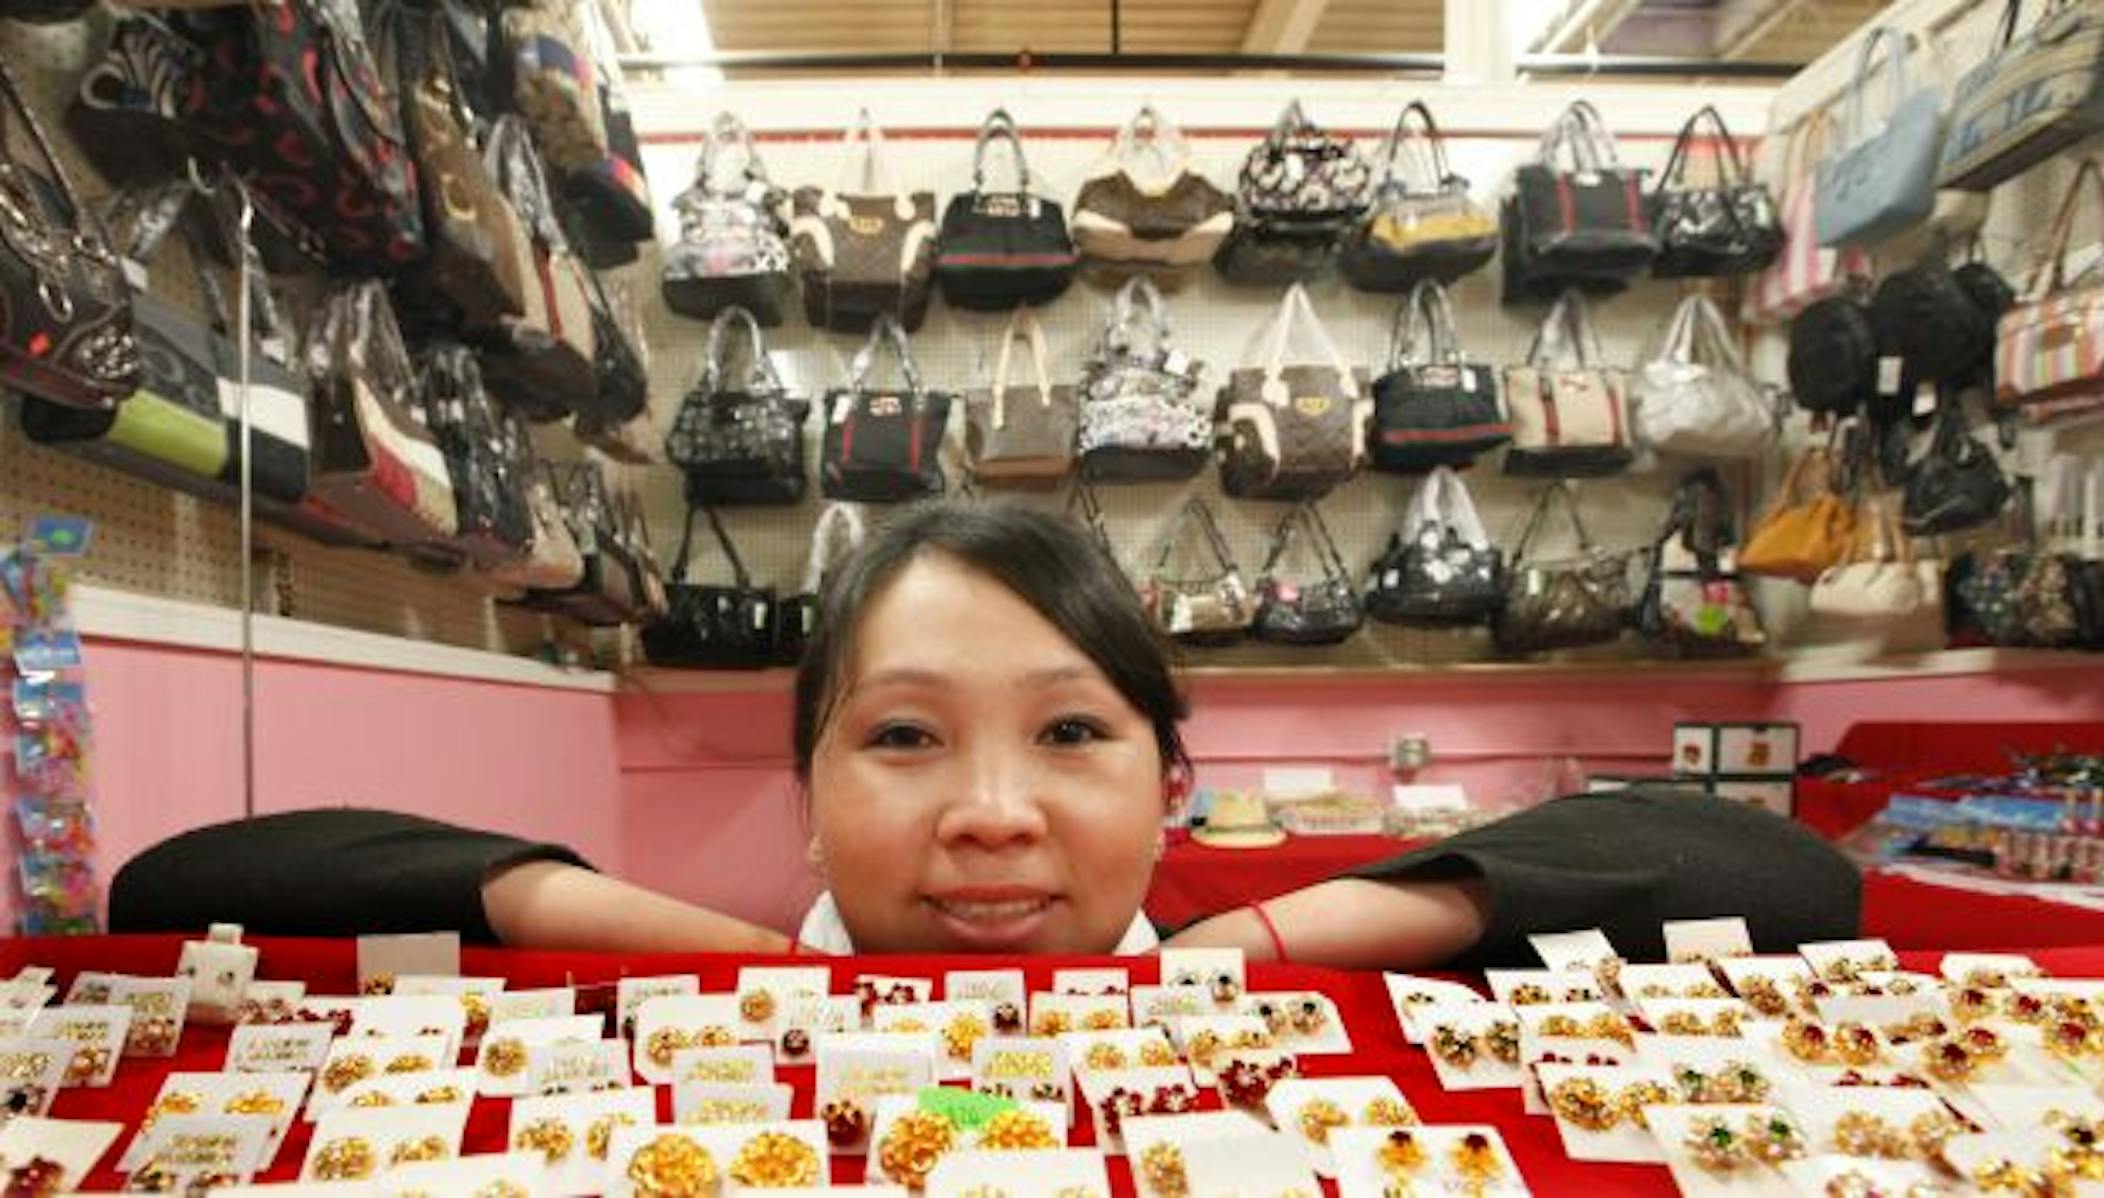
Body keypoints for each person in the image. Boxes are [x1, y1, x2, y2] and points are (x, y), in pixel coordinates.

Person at [111, 500, 1860, 965]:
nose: (994, 813)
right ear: (804, 787)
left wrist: (1258, 940)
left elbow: (1783, 873)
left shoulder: (1250, 966)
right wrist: (704, 951)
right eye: (902, 739)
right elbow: (178, 886)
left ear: (1171, 784)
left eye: (1074, 731)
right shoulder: (727, 979)